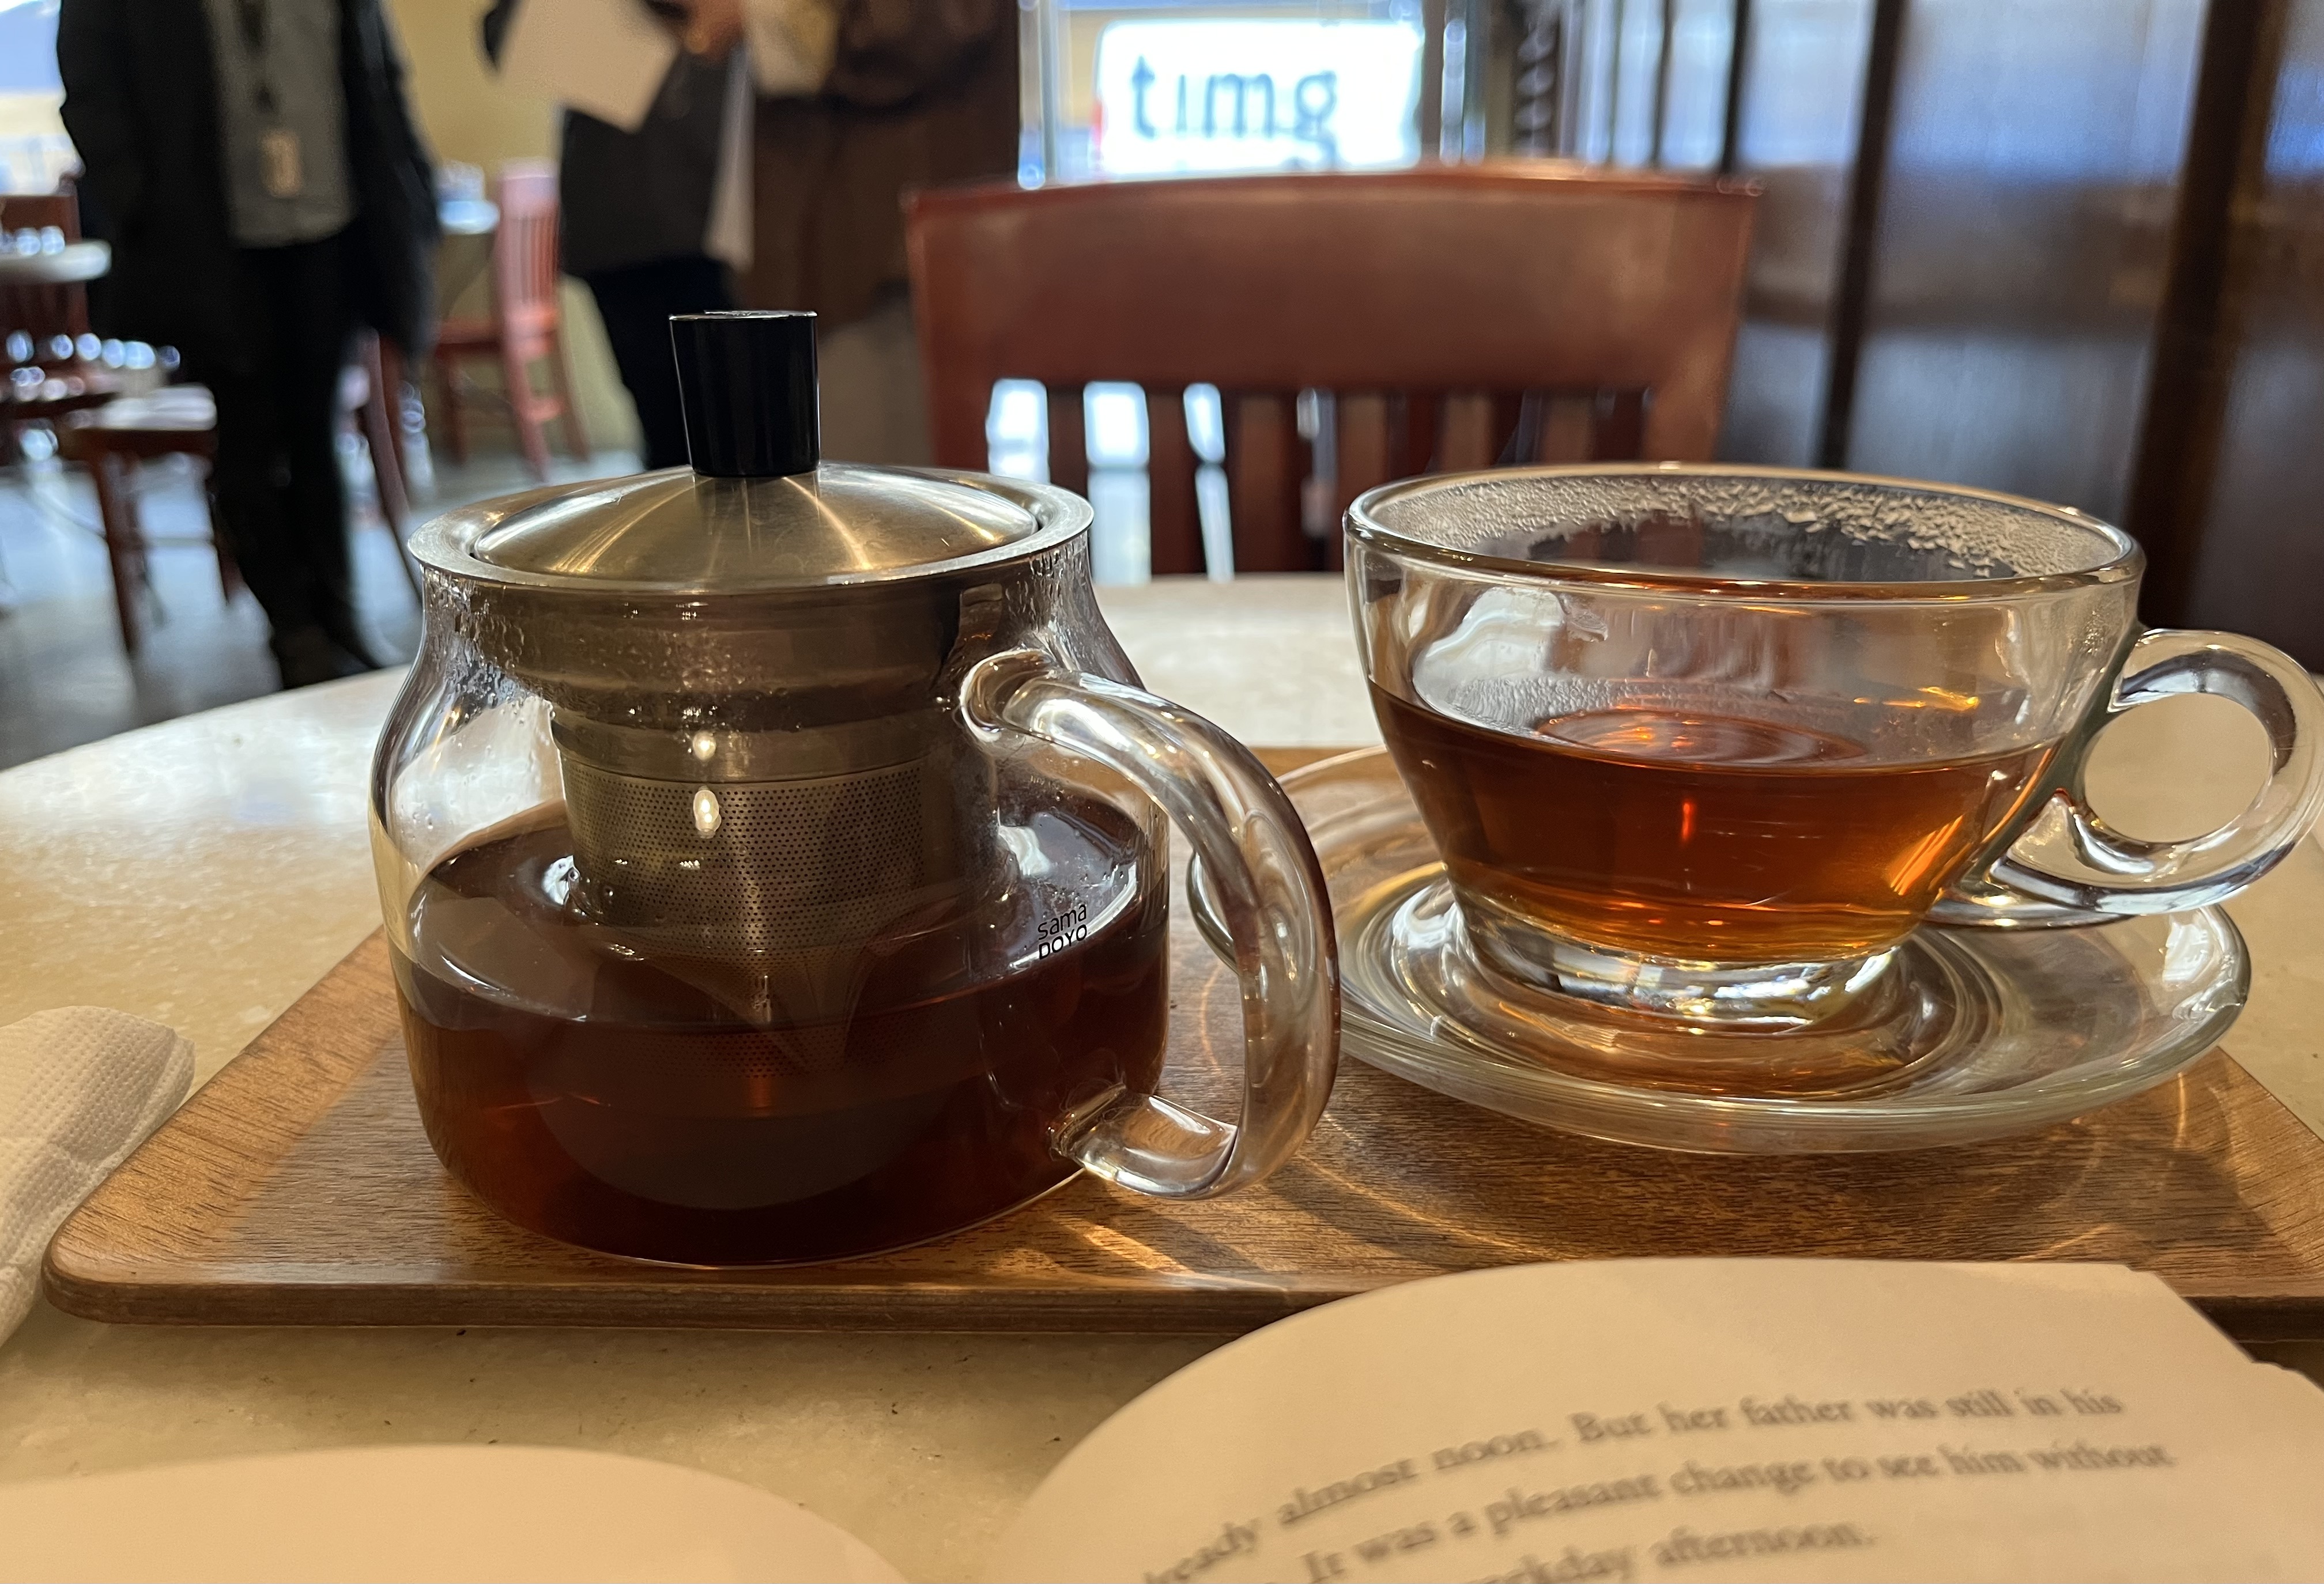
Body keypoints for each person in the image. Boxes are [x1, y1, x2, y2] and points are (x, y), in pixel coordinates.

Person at [57, 0, 437, 688]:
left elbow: (381, 78)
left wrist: (412, 197)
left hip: (330, 232)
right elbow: (89, 88)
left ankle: (339, 614)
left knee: (318, 434)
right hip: (209, 246)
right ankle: (292, 627)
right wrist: (143, 205)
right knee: (247, 438)